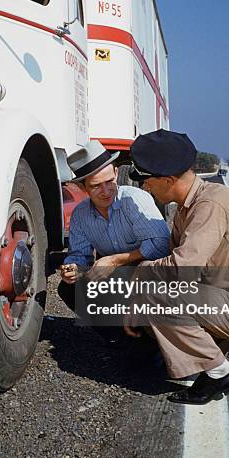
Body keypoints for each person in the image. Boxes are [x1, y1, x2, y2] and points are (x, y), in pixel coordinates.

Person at [124, 129, 229, 405]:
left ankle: (220, 373)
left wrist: (139, 280)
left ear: (168, 180)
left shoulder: (209, 205)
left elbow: (182, 268)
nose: (145, 187)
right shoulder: (190, 205)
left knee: (155, 296)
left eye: (146, 181)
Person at [58, 140, 170, 344]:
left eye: (109, 181)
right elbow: (79, 255)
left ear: (116, 172)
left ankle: (155, 341)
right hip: (119, 278)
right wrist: (73, 267)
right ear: (81, 187)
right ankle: (121, 340)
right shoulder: (81, 215)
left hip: (149, 273)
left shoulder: (136, 200)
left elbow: (162, 245)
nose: (106, 191)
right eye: (96, 186)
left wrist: (116, 260)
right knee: (69, 288)